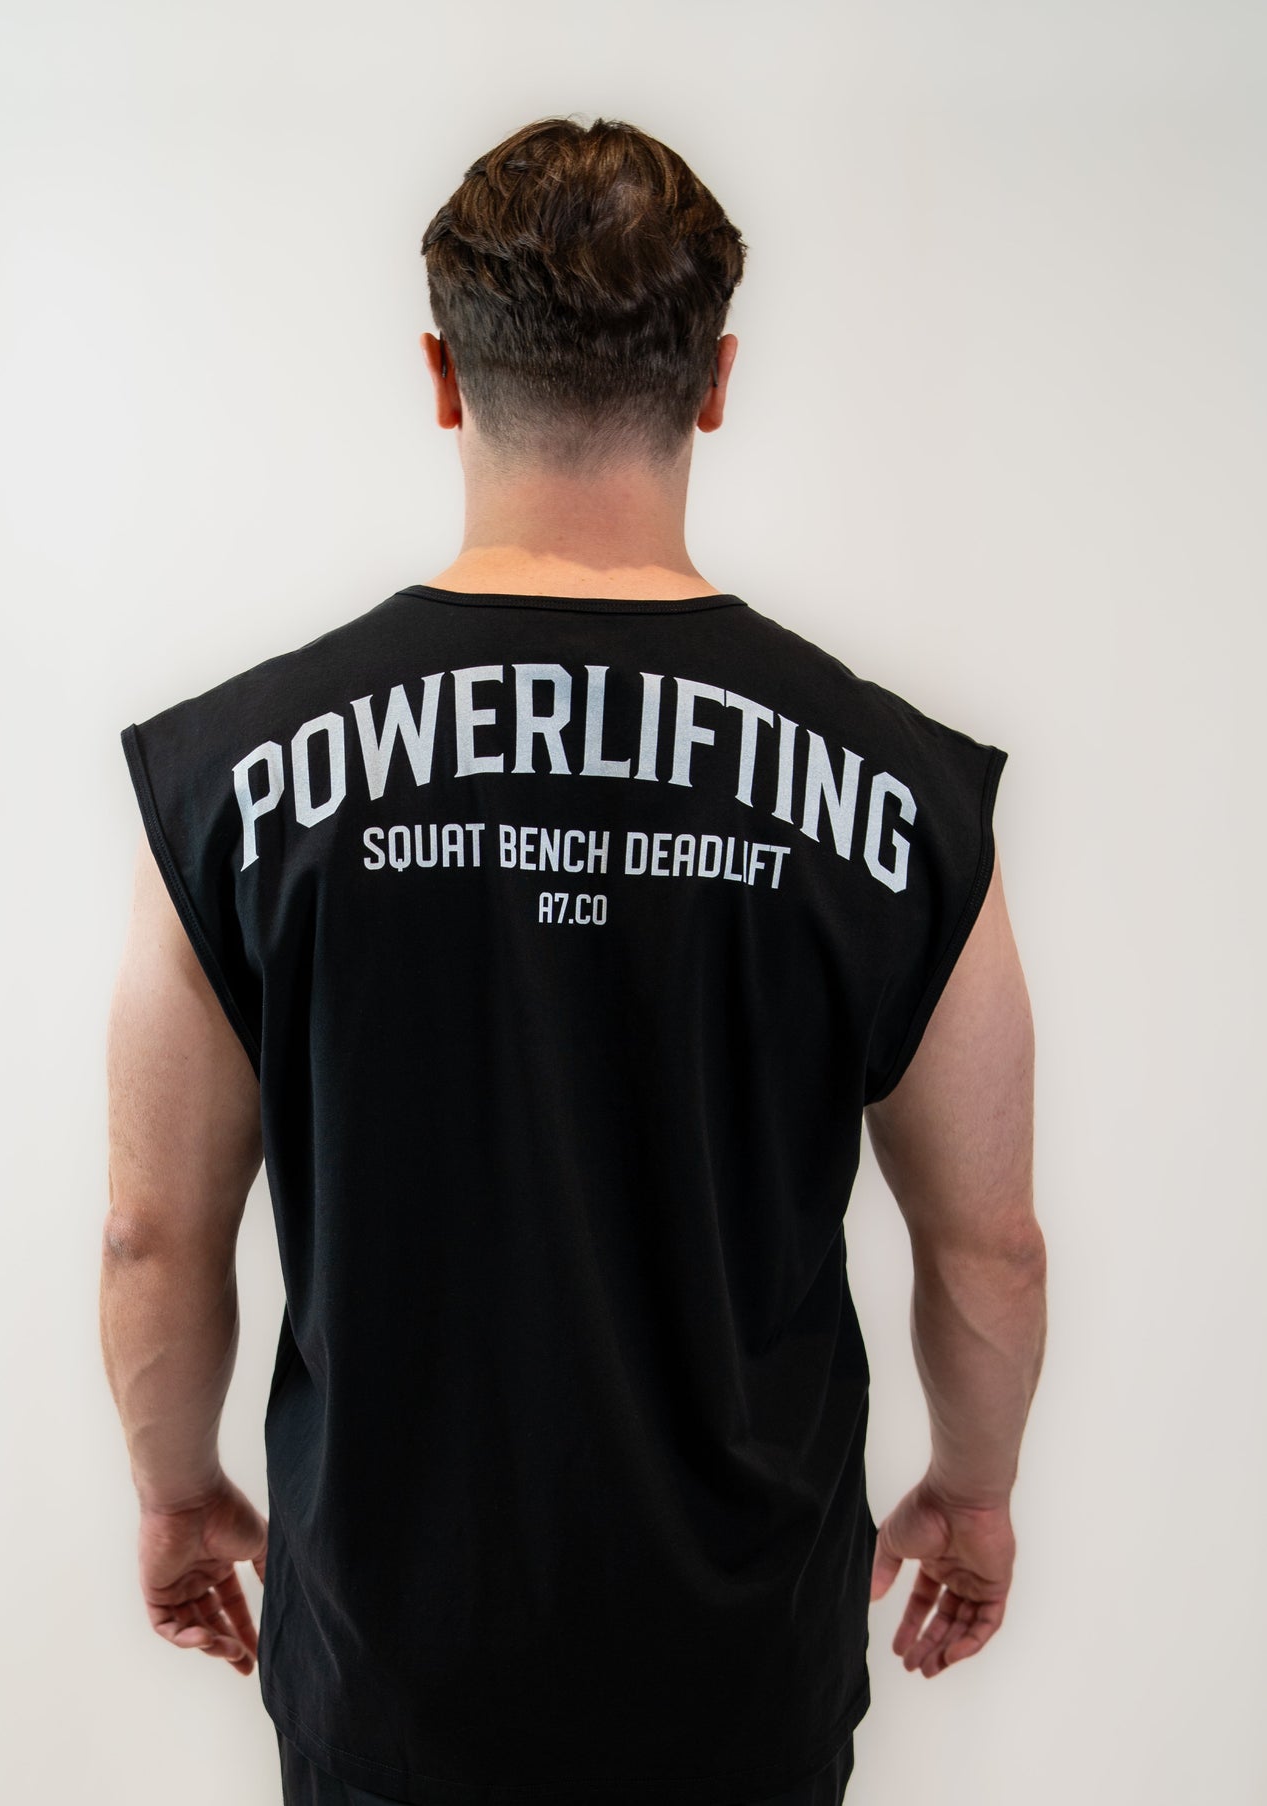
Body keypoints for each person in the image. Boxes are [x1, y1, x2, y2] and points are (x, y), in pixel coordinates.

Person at [101, 114, 1046, 1806]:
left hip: (395, 1674)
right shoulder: (897, 794)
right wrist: (973, 1488)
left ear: (442, 377)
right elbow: (987, 1246)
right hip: (733, 1679)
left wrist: (175, 1492)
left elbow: (150, 1234)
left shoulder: (236, 782)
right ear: (715, 381)